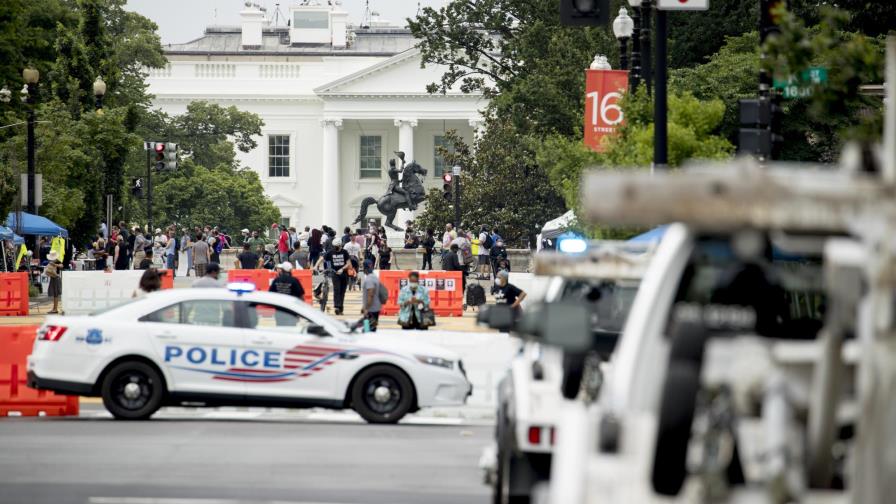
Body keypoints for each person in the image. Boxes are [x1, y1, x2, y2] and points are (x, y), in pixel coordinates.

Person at [315, 239, 351, 315]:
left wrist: (342, 268)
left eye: (337, 247)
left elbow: (348, 263)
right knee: (337, 290)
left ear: (340, 245)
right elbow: (321, 258)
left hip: (344, 274)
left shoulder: (344, 252)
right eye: (334, 246)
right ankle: (337, 307)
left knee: (342, 292)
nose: (335, 248)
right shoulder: (330, 252)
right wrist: (315, 266)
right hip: (335, 273)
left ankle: (341, 308)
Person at [360, 260, 382, 331]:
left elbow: (370, 294)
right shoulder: (374, 277)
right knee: (371, 329)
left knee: (368, 330)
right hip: (375, 308)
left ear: (365, 268)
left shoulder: (369, 279)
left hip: (371, 310)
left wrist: (366, 308)